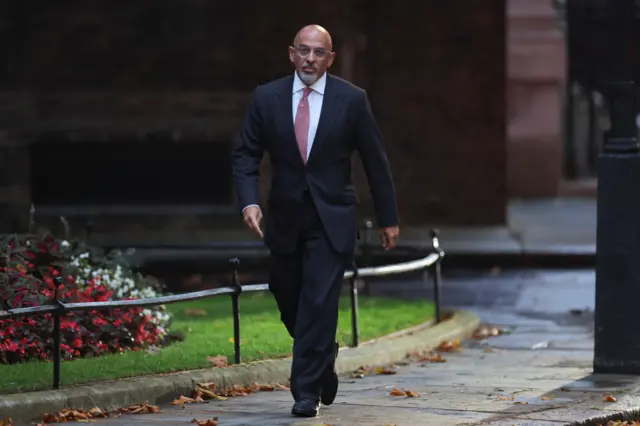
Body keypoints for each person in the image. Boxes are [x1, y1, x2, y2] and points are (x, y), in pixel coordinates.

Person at [231, 24, 399, 417]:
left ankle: (304, 392)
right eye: (303, 51)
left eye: (318, 52)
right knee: (287, 296)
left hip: (333, 218)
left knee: (319, 301)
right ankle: (323, 353)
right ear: (292, 54)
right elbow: (245, 154)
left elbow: (375, 161)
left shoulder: (352, 100)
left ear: (330, 58)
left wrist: (388, 217)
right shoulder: (267, 97)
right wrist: (248, 203)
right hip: (286, 216)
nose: (310, 59)